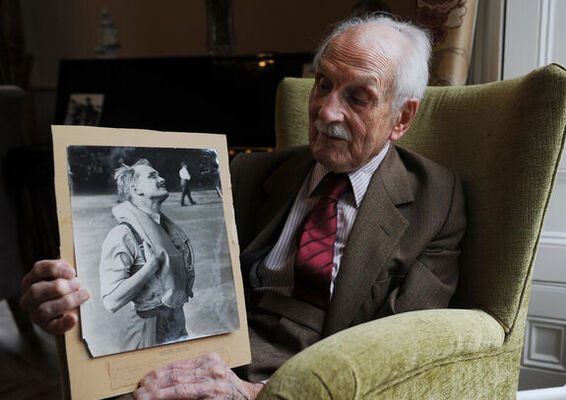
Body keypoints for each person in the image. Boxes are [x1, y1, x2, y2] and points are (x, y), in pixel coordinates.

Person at [20, 14, 465, 400]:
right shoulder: (249, 174)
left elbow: (404, 348)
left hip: (314, 372)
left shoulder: (435, 199)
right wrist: (71, 303)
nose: (326, 111)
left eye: (357, 97)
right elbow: (169, 281)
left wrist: (258, 394)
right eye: (324, 84)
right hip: (203, 346)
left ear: (401, 119)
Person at [101, 159, 195, 348]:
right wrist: (150, 267)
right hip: (146, 334)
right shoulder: (122, 235)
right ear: (137, 190)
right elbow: (111, 301)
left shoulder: (166, 229)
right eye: (153, 176)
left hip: (176, 326)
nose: (161, 179)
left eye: (159, 175)